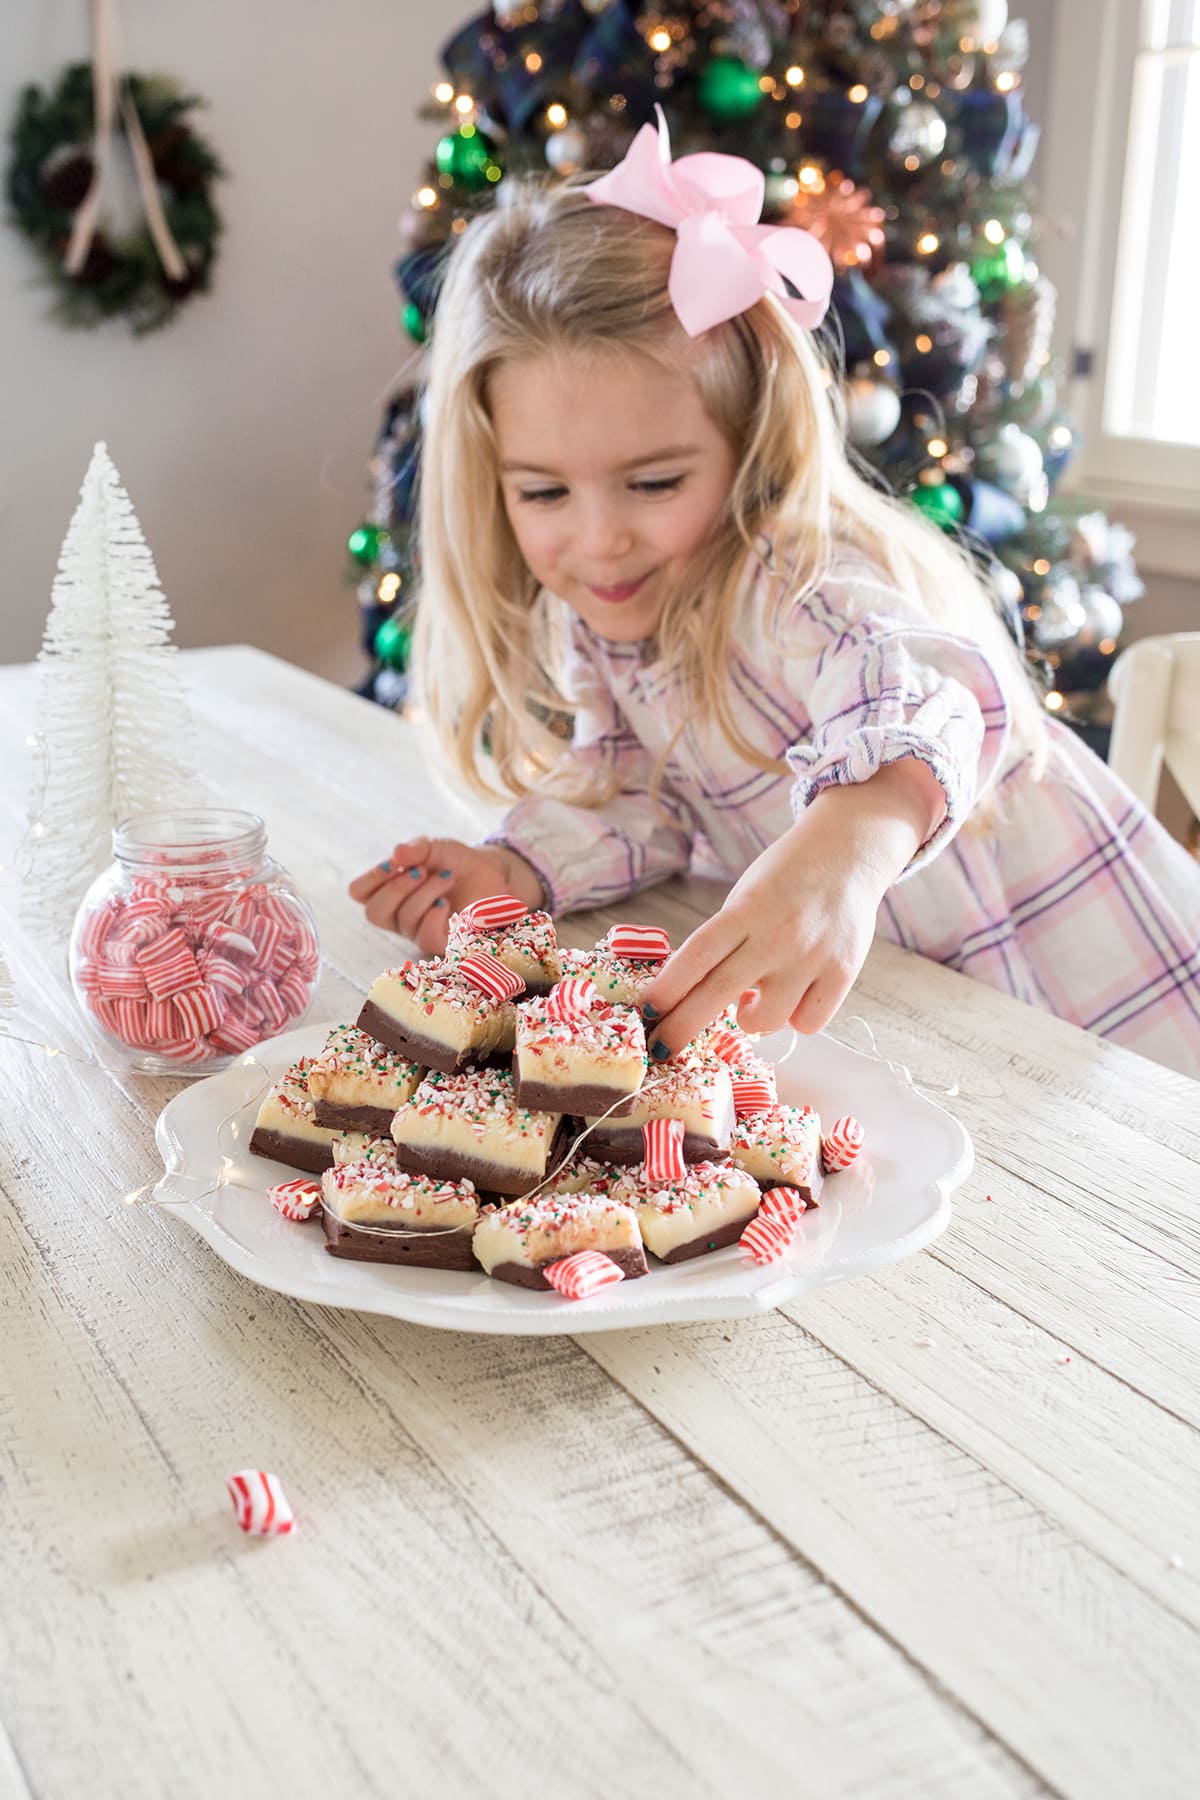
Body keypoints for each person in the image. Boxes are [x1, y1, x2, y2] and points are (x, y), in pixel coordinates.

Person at [350, 113, 1200, 1078]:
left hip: (1130, 1045)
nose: (596, 541)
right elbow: (645, 800)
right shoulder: (613, 619)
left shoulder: (800, 577)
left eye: (655, 482)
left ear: (746, 442)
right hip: (966, 1047)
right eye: (543, 492)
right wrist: (518, 869)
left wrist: (850, 838)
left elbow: (927, 696)